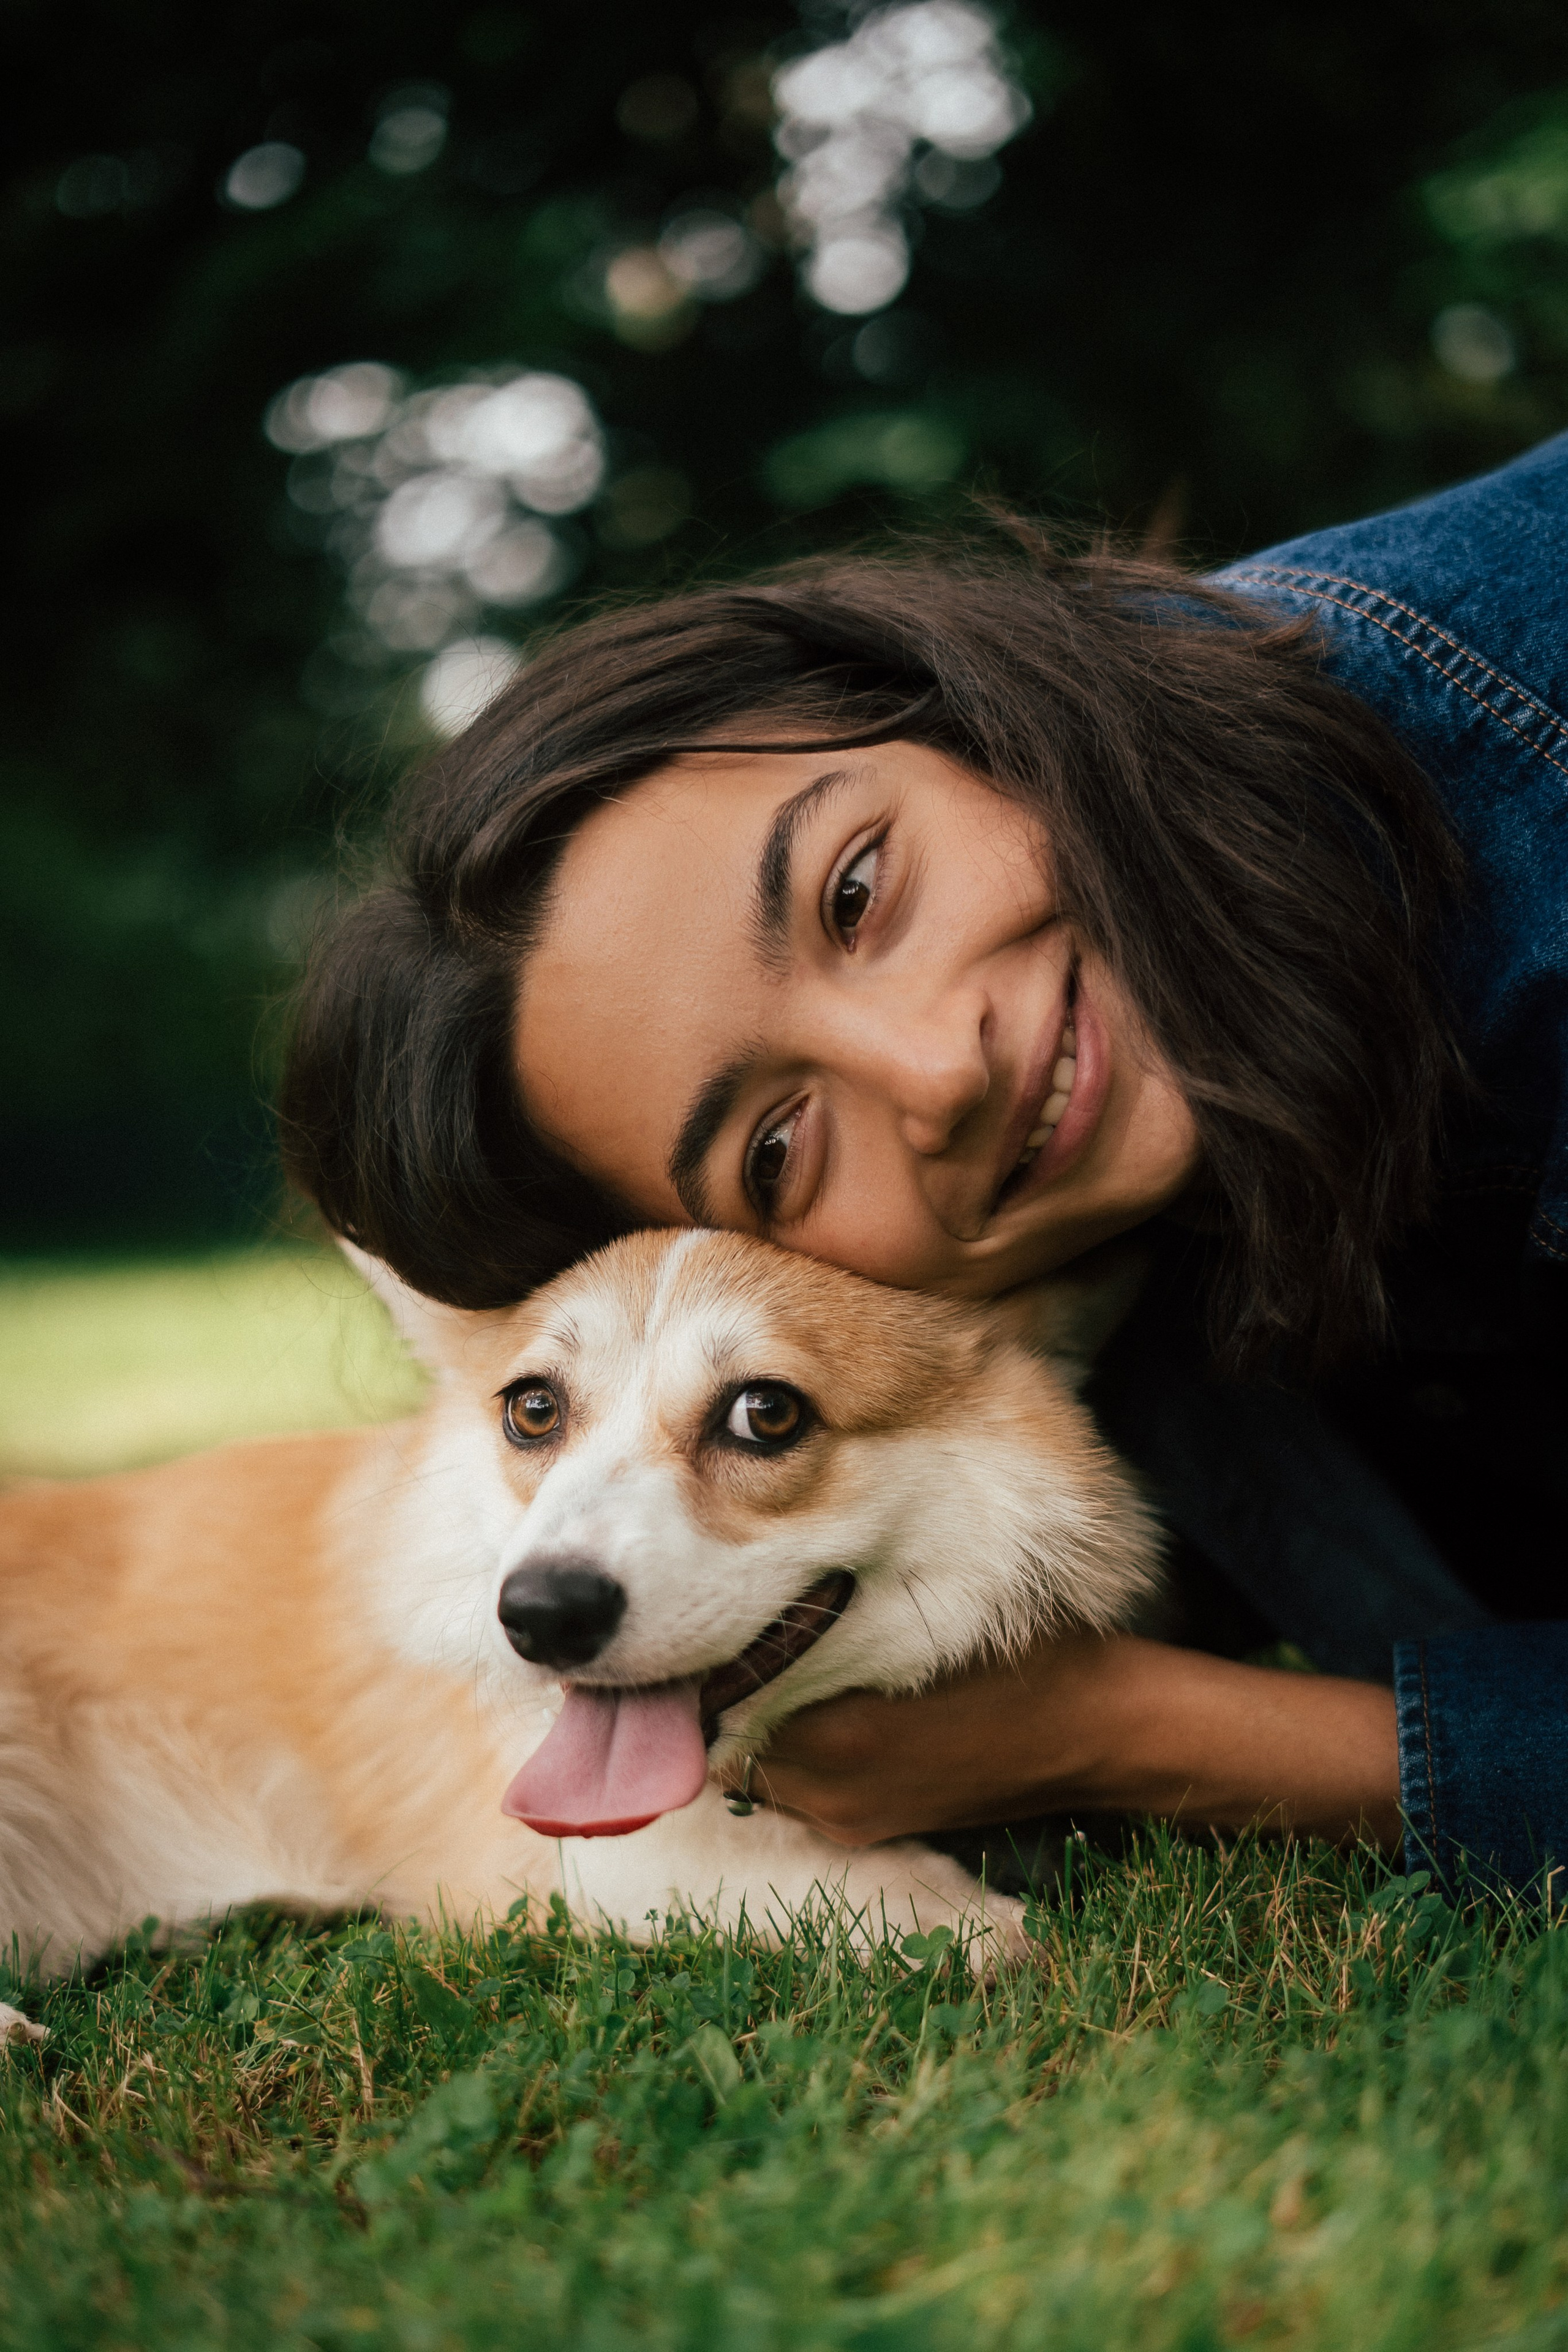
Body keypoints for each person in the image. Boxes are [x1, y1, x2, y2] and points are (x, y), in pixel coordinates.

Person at [282, 432, 1568, 1894]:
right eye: (774, 1150)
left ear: (921, 699)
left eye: (854, 889)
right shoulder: (1083, 1244)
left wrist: (1132, 1734)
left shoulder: (1523, 813)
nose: (939, 1069)